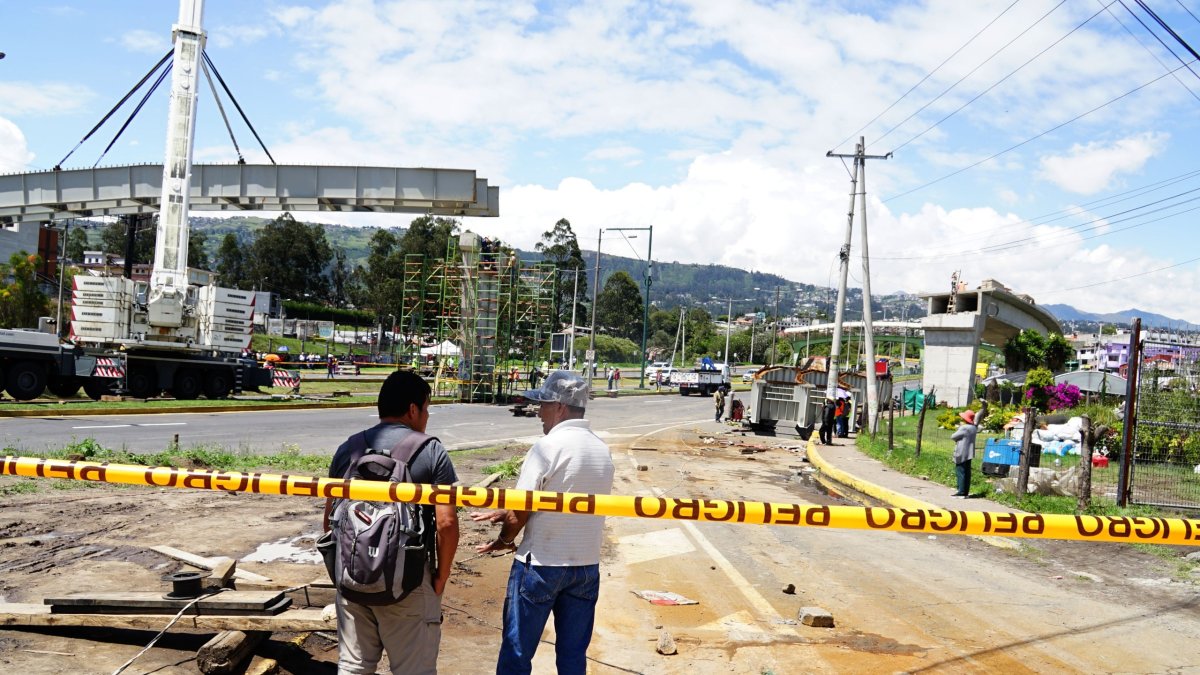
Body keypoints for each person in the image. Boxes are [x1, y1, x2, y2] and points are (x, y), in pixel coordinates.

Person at [472, 371, 615, 675]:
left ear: (560, 407)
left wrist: (506, 539)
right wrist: (508, 511)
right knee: (573, 656)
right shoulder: (601, 450)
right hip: (585, 569)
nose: (538, 412)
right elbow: (565, 503)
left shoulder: (547, 447)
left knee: (516, 653)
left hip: (540, 566)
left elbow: (519, 512)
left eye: (543, 404)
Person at [323, 371, 460, 675]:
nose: (426, 417)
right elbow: (447, 523)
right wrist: (441, 577)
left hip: (352, 577)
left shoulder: (348, 449)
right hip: (408, 582)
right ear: (413, 409)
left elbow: (329, 521)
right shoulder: (431, 451)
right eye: (426, 409)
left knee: (353, 667)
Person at [951, 409, 979, 498]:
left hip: (961, 452)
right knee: (967, 472)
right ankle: (965, 491)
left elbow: (953, 436)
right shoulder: (974, 427)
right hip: (969, 452)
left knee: (960, 471)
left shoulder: (964, 427)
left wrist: (959, 428)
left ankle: (961, 491)